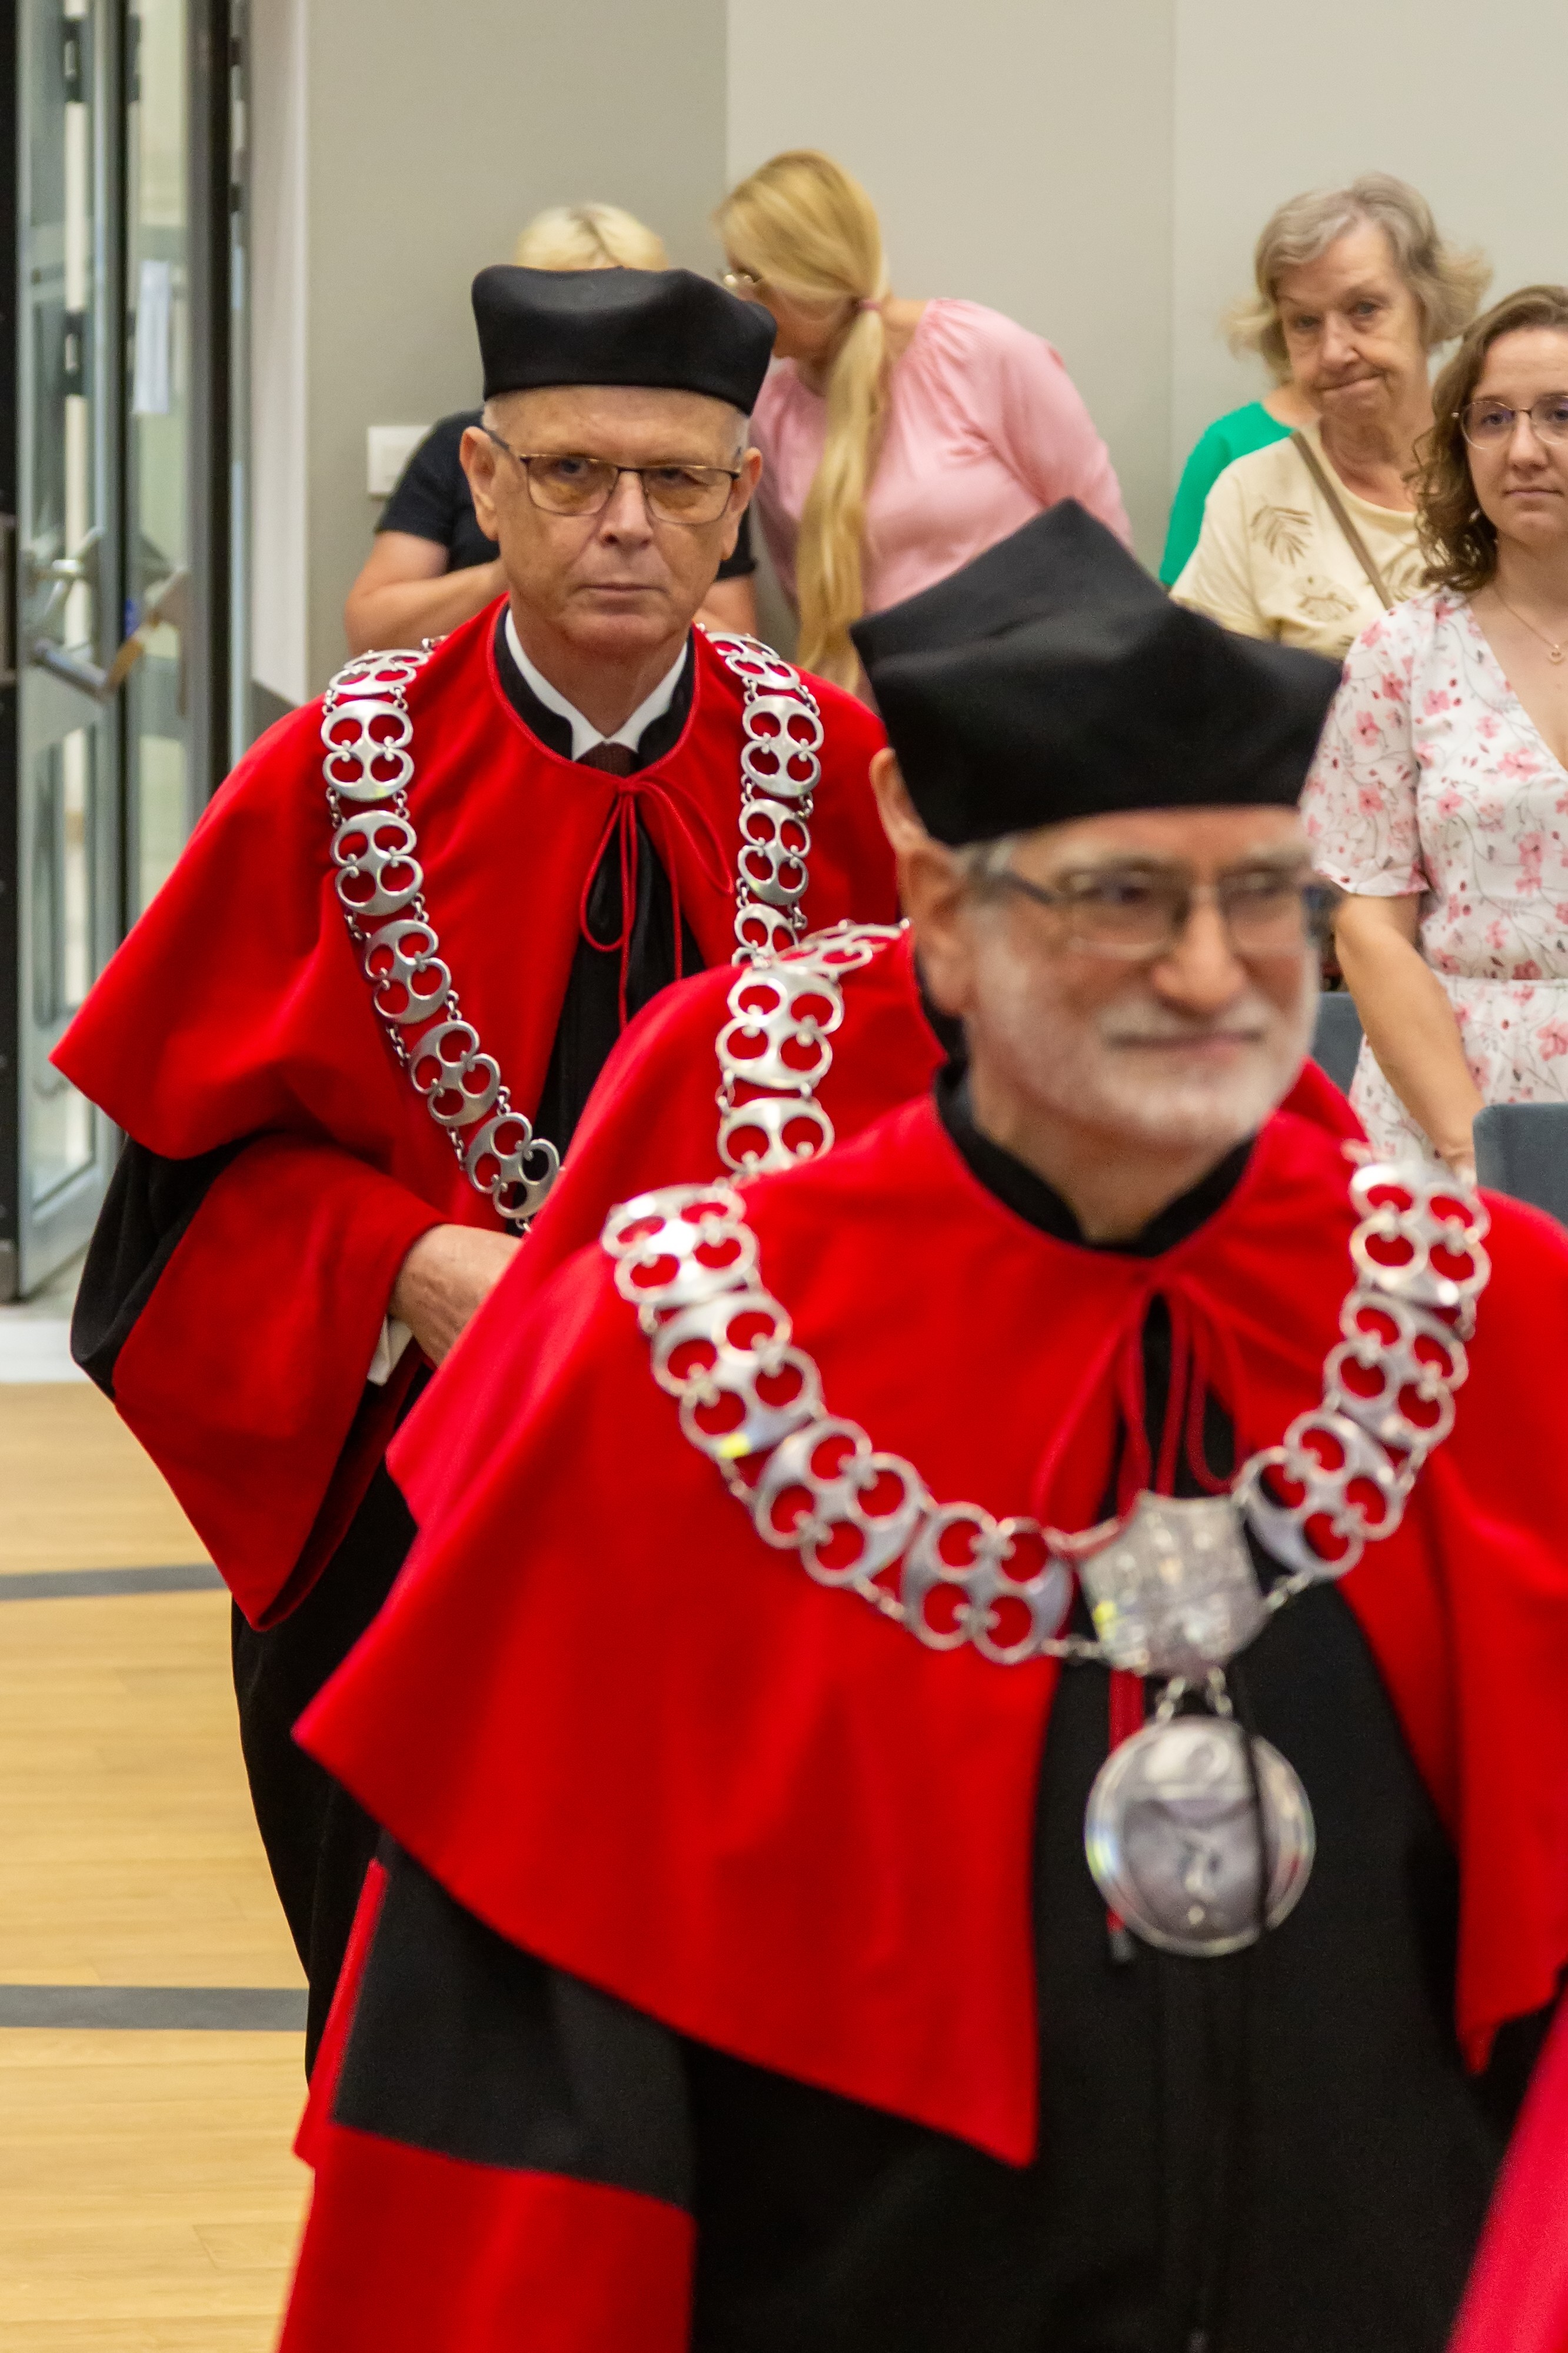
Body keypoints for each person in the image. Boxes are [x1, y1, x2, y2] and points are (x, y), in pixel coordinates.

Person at [277, 513, 1568, 2352]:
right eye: (1125, 896)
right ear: (948, 917)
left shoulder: (1505, 1325)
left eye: (1261, 897)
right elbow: (514, 2086)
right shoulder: (669, 1357)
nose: (1212, 972)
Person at [54, 261, 896, 2063]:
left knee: (760, 2034)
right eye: (573, 471)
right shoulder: (330, 777)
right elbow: (168, 1214)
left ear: (743, 500)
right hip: (409, 1509)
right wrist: (402, 1264)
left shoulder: (840, 768)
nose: (625, 523)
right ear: (486, 483)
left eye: (677, 480)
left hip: (767, 1506)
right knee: (415, 2032)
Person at [1303, 284, 1568, 1175]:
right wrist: (1471, 1147)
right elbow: (1368, 926)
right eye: (1492, 418)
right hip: (1442, 1105)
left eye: (1561, 414)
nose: (1523, 450)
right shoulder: (1402, 652)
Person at [717, 147, 1129, 687]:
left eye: (749, 278)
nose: (739, 299)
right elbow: (806, 598)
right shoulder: (773, 413)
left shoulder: (978, 352)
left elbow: (1102, 542)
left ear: (809, 277)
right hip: (887, 718)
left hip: (1038, 696)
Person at [344, 205, 761, 653]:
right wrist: (519, 570)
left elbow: (738, 646)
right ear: (485, 474)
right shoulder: (456, 449)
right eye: (569, 468)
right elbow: (371, 629)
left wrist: (641, 588)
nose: (603, 332)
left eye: (670, 475)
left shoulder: (701, 458)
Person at [1173, 175, 1488, 657]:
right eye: (1304, 322)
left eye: (1364, 309)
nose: (1334, 352)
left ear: (1427, 306)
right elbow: (1210, 691)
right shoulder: (1249, 495)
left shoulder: (1502, 466)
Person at [1158, 253, 1320, 586]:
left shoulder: (1429, 439)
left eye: (1364, 310)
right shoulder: (1228, 445)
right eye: (1307, 321)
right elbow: (1181, 597)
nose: (1338, 346)